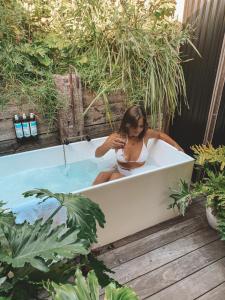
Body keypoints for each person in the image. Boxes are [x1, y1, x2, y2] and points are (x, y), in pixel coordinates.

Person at [93, 105, 183, 185]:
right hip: (121, 172)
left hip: (138, 177)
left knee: (115, 177)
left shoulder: (145, 135)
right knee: (101, 176)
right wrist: (108, 145)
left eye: (141, 126)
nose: (137, 130)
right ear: (127, 124)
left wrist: (176, 145)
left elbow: (160, 135)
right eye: (134, 126)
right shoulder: (117, 137)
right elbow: (97, 155)